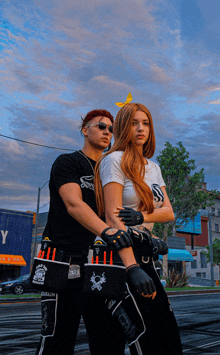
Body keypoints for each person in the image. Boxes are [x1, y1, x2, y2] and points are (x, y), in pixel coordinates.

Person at [35, 109, 137, 355]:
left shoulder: (111, 170)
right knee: (57, 340)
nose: (107, 132)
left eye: (111, 129)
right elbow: (73, 204)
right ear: (85, 130)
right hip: (64, 262)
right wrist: (106, 232)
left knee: (109, 340)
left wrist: (144, 234)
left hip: (101, 266)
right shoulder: (68, 162)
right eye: (101, 126)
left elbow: (122, 212)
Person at [94, 103, 183, 355]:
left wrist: (141, 216)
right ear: (123, 126)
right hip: (123, 256)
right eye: (134, 123)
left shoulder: (153, 167)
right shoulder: (113, 160)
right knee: (146, 337)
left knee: (167, 334)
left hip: (146, 255)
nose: (141, 128)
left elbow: (168, 212)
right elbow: (113, 217)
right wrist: (131, 267)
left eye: (145, 123)